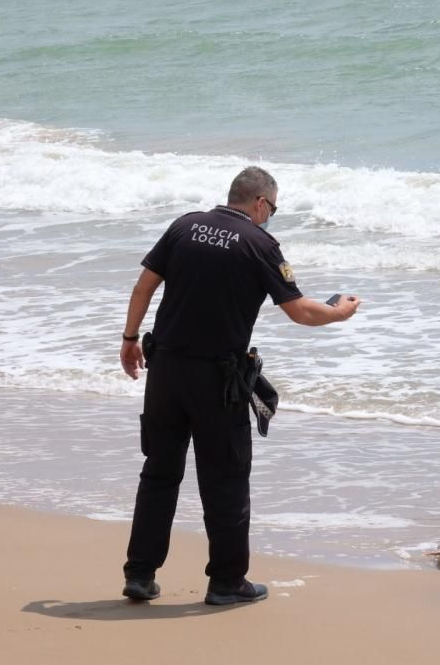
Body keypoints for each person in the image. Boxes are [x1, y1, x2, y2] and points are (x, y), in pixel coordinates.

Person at [118, 166, 360, 605]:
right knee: (226, 479)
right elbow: (301, 311)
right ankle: (227, 582)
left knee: (158, 472)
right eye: (274, 209)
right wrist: (340, 312)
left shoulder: (184, 226)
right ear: (261, 203)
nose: (271, 218)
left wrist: (130, 339)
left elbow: (143, 288)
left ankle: (139, 574)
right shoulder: (259, 244)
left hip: (166, 371)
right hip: (217, 380)